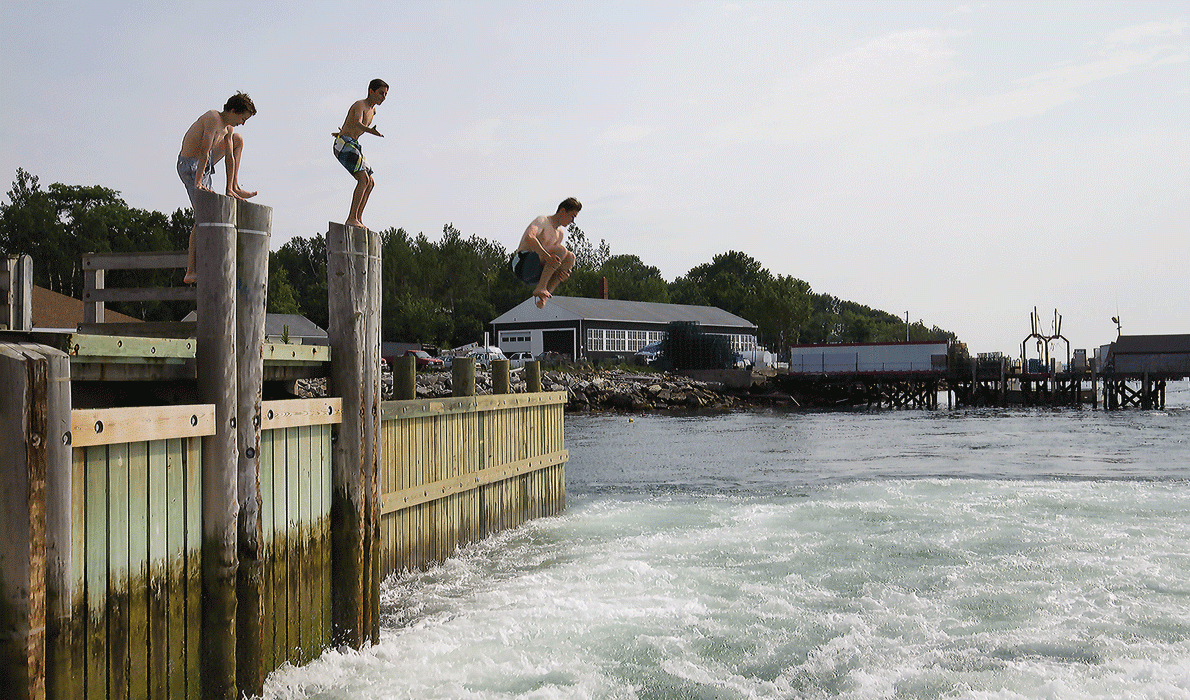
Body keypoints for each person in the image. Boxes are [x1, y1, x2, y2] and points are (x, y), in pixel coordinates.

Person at [178, 92, 258, 284]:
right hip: (190, 167)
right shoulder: (213, 119)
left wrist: (229, 187)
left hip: (203, 166)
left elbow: (229, 156)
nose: (243, 123)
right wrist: (198, 183)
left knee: (238, 140)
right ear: (232, 110)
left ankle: (235, 187)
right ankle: (191, 270)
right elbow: (204, 153)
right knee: (203, 214)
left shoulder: (228, 128)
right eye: (242, 118)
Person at [333, 79, 388, 229]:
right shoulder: (360, 105)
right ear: (371, 91)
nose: (383, 97)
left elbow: (351, 125)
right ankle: (351, 218)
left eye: (385, 95)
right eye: (381, 93)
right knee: (363, 179)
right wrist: (371, 131)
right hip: (344, 144)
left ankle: (358, 218)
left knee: (370, 182)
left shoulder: (373, 111)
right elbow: (357, 122)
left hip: (354, 145)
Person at [511, 198, 580, 308]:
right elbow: (529, 237)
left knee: (570, 257)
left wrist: (561, 273)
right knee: (560, 250)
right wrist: (547, 257)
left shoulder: (560, 234)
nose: (572, 221)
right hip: (522, 264)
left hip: (536, 273)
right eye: (572, 216)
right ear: (562, 211)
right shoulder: (543, 221)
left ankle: (544, 296)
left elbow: (552, 263)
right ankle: (541, 288)